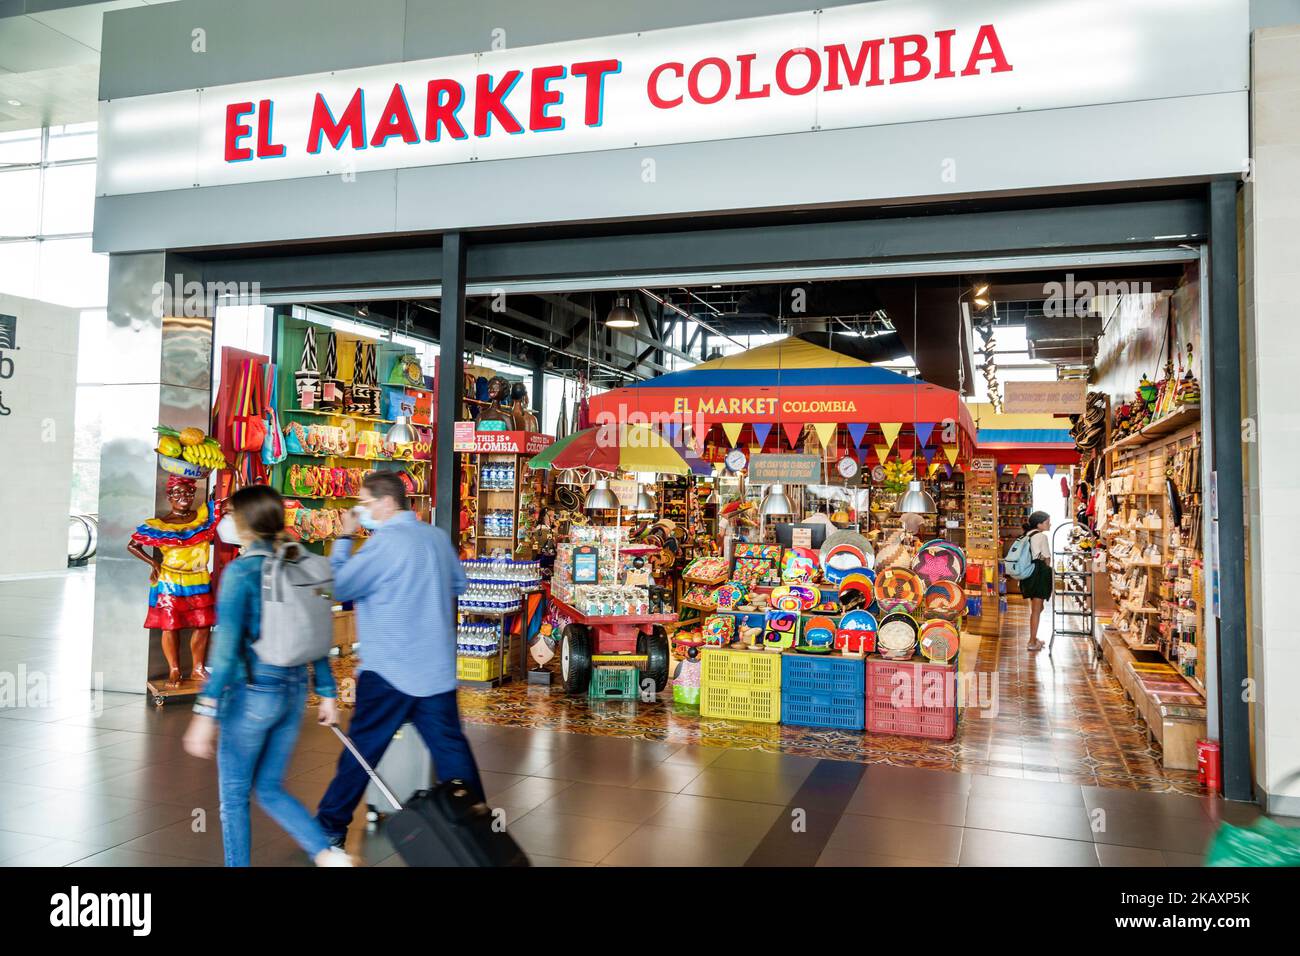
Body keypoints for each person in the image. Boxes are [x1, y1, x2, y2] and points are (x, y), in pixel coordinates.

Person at [182, 485, 351, 867]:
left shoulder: (241, 571)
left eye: (228, 515)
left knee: (234, 797)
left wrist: (203, 715)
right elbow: (317, 629)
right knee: (270, 787)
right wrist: (326, 692)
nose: (224, 521)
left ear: (243, 522)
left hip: (252, 693)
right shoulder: (301, 560)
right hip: (293, 691)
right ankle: (326, 853)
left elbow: (224, 654)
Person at [315, 471, 482, 847]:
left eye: (365, 503)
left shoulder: (383, 544)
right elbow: (458, 584)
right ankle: (475, 827)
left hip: (389, 669)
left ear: (386, 502)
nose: (361, 510)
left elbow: (337, 588)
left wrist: (343, 538)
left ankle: (329, 828)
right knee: (453, 753)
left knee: (361, 754)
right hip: (436, 670)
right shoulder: (437, 538)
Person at [1020, 511, 1054, 651]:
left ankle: (1033, 638)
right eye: (1047, 522)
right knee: (1036, 609)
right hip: (1038, 573)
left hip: (1027, 573)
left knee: (1037, 608)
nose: (1049, 524)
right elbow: (1046, 558)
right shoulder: (1041, 536)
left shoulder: (1027, 535)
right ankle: (1032, 642)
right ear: (1039, 524)